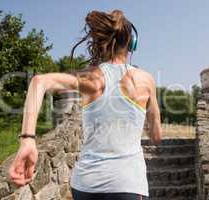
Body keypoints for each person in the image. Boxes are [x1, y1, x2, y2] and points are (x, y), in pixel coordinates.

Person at [9, 9, 162, 200]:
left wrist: (28, 140)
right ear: (132, 43)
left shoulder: (90, 78)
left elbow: (39, 82)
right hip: (127, 184)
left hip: (85, 185)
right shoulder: (146, 80)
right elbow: (156, 136)